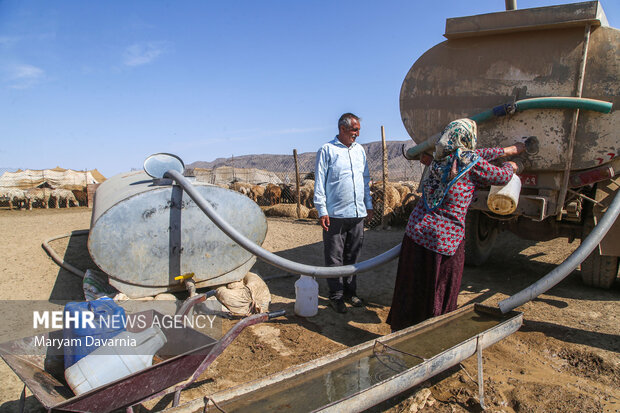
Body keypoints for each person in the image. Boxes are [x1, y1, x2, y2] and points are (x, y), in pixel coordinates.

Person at [387, 118, 524, 330]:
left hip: (416, 234)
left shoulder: (439, 158)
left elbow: (476, 155)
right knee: (439, 291)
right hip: (444, 242)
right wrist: (512, 164)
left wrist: (506, 150)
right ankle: (432, 335)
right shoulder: (471, 163)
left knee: (413, 286)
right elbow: (501, 176)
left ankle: (402, 329)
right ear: (468, 138)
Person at [314, 113, 374, 313]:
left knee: (353, 255)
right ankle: (336, 296)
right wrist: (322, 210)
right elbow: (320, 182)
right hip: (335, 215)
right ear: (342, 129)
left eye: (358, 130)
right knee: (334, 257)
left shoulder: (360, 151)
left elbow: (365, 180)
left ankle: (350, 292)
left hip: (357, 213)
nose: (357, 134)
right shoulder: (327, 150)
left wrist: (369, 204)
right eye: (354, 130)